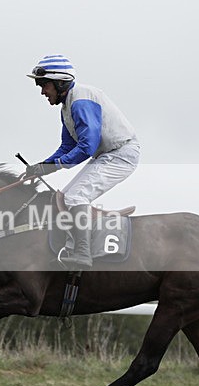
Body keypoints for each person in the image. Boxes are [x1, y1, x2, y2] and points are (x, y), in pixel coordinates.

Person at [24, 54, 140, 269]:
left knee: (76, 197)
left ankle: (83, 254)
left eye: (43, 85)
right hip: (107, 154)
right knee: (64, 198)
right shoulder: (67, 107)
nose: (42, 92)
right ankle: (73, 246)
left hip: (121, 154)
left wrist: (49, 167)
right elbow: (67, 147)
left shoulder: (80, 100)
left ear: (60, 83)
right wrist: (41, 167)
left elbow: (87, 146)